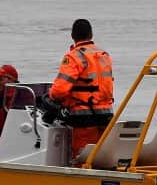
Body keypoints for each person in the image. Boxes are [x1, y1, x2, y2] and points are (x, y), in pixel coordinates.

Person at [49, 19, 115, 159]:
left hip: (84, 117)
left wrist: (51, 96)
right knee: (102, 156)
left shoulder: (74, 57)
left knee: (82, 157)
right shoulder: (104, 55)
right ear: (91, 34)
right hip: (106, 115)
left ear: (73, 35)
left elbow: (59, 90)